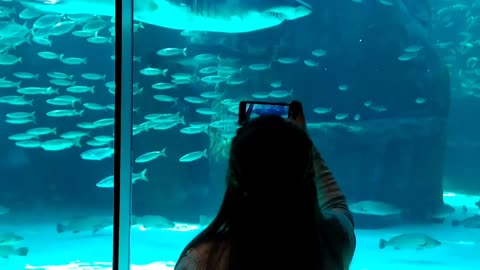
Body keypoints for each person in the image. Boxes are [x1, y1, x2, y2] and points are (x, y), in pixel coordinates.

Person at [175, 101, 356, 270]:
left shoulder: (203, 259)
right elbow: (337, 204)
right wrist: (302, 140)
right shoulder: (333, 242)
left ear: (235, 180)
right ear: (306, 178)